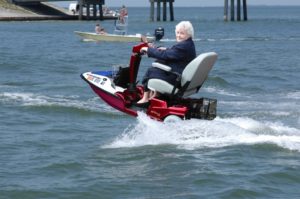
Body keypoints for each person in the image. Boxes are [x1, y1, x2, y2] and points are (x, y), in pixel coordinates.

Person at [136, 21, 196, 105]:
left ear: (189, 34)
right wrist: (163, 49)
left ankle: (145, 98)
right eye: (177, 32)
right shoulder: (188, 44)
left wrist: (148, 50)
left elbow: (165, 55)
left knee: (151, 71)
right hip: (180, 75)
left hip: (176, 78)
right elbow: (174, 53)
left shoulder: (183, 46)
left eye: (182, 33)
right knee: (159, 63)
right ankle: (156, 94)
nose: (178, 35)